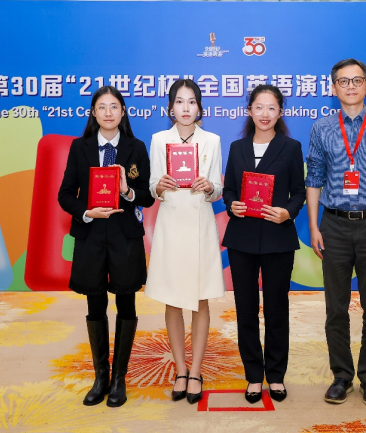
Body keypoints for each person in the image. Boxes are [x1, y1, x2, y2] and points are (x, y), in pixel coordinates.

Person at [306, 59, 366, 406]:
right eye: (344, 81)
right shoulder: (321, 128)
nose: (350, 86)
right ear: (333, 87)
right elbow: (314, 178)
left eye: (357, 80)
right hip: (333, 225)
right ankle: (341, 376)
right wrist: (314, 226)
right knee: (335, 307)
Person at [58, 85, 155, 408]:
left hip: (125, 236)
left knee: (126, 304)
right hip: (92, 235)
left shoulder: (136, 147)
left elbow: (147, 196)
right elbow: (65, 194)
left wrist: (127, 191)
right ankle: (100, 377)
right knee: (95, 305)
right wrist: (87, 211)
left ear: (123, 112)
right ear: (93, 113)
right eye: (102, 107)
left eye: (114, 106)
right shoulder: (80, 147)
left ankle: (118, 379)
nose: (108, 112)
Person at [222, 84, 306, 404]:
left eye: (272, 108)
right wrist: (232, 205)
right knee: (245, 309)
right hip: (242, 239)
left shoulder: (291, 147)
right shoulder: (237, 147)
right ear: (250, 111)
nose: (265, 114)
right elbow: (230, 189)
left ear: (280, 112)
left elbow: (299, 191)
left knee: (276, 309)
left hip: (277, 238)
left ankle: (276, 375)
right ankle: (254, 376)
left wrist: (288, 212)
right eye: (259, 107)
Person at [144, 79, 225, 404]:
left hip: (200, 226)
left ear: (199, 107)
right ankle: (180, 369)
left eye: (192, 101)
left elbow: (218, 189)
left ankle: (196, 371)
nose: (186, 107)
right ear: (170, 108)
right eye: (180, 101)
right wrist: (159, 186)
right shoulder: (158, 139)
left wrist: (210, 187)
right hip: (171, 226)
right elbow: (152, 186)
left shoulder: (212, 141)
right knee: (173, 300)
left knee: (201, 299)